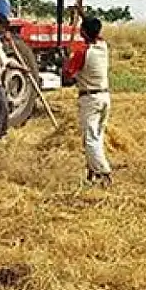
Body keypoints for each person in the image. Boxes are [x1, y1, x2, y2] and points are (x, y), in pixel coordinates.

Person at [62, 16, 112, 185]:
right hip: (104, 97)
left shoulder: (83, 52)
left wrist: (66, 60)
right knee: (97, 136)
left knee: (90, 139)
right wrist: (81, 12)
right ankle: (92, 172)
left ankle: (103, 172)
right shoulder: (103, 46)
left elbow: (67, 77)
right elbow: (93, 31)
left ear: (83, 31)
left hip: (90, 99)